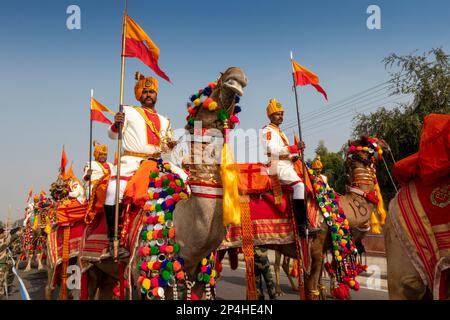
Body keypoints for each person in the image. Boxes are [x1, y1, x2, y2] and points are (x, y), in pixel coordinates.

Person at [104, 72, 184, 258]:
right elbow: (112, 135)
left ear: (157, 95)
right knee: (112, 191)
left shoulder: (165, 120)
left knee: (185, 181)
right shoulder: (128, 111)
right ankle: (112, 240)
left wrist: (171, 146)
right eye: (145, 91)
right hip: (131, 161)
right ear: (139, 95)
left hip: (156, 161)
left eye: (152, 91)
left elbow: (166, 147)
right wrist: (116, 124)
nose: (148, 94)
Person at [262, 98, 321, 237]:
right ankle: (302, 225)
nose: (280, 116)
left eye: (282, 114)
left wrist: (292, 156)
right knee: (299, 186)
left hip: (286, 165)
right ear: (270, 116)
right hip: (277, 166)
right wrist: (293, 147)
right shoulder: (267, 130)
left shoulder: (280, 132)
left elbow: (284, 151)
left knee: (307, 183)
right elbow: (272, 149)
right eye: (277, 114)